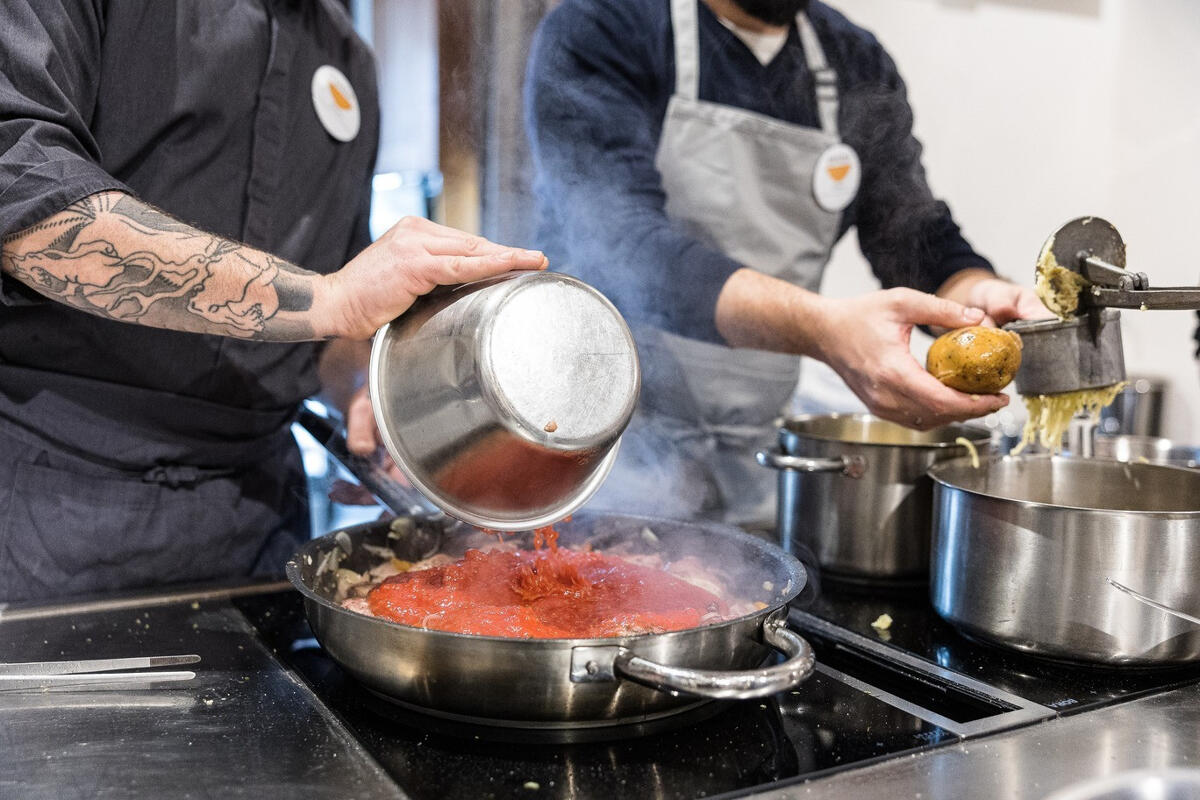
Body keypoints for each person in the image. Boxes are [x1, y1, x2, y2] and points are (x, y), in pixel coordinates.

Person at [0, 1, 546, 602]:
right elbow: (27, 208)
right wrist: (332, 297)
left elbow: (328, 312)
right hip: (51, 498)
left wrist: (375, 395)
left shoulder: (347, 56)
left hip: (261, 515)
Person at [525, 0, 1046, 525]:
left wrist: (975, 293)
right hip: (603, 452)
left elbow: (911, 235)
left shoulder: (854, 61)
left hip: (757, 455)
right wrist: (823, 329)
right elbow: (619, 244)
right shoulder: (606, 25)